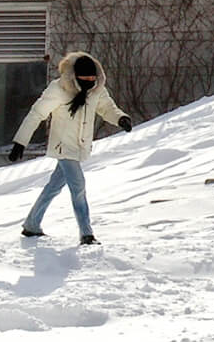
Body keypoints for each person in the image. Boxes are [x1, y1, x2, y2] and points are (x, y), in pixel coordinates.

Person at [8, 52, 131, 245]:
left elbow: (107, 108)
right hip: (63, 146)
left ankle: (32, 224)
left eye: (93, 78)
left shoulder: (97, 89)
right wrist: (20, 141)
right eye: (86, 79)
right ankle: (86, 234)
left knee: (53, 187)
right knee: (78, 186)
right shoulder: (59, 89)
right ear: (76, 77)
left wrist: (121, 118)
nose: (90, 82)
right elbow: (37, 113)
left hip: (80, 146)